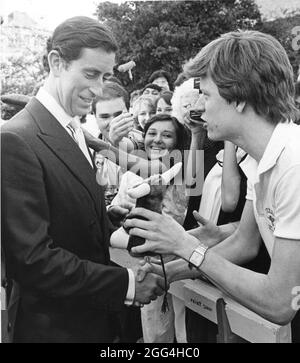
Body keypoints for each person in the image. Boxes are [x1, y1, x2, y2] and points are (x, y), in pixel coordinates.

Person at [125, 30, 300, 342]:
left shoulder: (293, 164)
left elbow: (280, 301)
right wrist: (172, 272)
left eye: (206, 95)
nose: (200, 109)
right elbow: (244, 243)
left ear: (240, 97)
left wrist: (184, 245)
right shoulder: (261, 159)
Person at [1, 16, 166, 343]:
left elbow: (66, 226)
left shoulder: (75, 130)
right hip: (52, 330)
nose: (97, 89)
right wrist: (128, 284)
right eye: (90, 74)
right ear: (56, 63)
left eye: (105, 76)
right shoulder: (15, 139)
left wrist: (108, 217)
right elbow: (32, 261)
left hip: (90, 323)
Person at [111, 113, 188, 343]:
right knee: (152, 335)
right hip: (141, 268)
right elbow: (116, 214)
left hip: (178, 268)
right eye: (152, 134)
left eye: (166, 135)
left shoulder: (184, 176)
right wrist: (121, 214)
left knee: (181, 334)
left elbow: (177, 221)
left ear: (178, 142)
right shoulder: (130, 177)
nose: (157, 140)